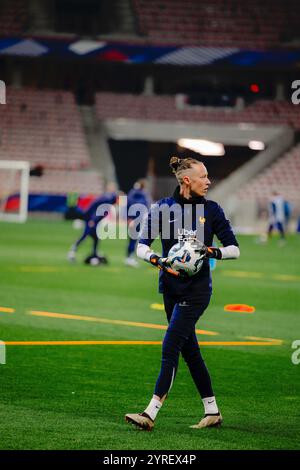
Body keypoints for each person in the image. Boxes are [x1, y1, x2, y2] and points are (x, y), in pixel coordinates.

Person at [125, 156, 240, 430]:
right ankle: (212, 410)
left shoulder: (212, 210)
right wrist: (159, 261)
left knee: (170, 346)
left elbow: (234, 249)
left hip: (198, 291)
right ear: (187, 180)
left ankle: (150, 413)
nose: (209, 181)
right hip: (170, 288)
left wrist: (209, 251)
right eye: (204, 177)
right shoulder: (162, 208)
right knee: (190, 351)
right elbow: (141, 246)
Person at [67, 186, 118, 265]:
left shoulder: (107, 199)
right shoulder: (107, 201)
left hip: (91, 219)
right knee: (85, 236)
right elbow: (97, 210)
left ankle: (93, 254)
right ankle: (72, 252)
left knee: (95, 238)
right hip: (91, 220)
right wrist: (93, 220)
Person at [125, 179, 151, 267]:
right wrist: (130, 218)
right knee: (133, 238)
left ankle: (130, 257)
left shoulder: (138, 194)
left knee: (136, 239)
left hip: (138, 219)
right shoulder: (136, 194)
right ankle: (129, 258)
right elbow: (130, 205)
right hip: (134, 219)